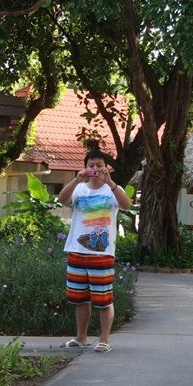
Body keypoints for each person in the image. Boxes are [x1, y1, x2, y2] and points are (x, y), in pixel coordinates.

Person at [57, 147, 132, 353]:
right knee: (79, 298)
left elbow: (126, 205)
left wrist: (111, 183)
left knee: (103, 299)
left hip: (102, 253)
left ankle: (104, 340)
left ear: (107, 167)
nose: (95, 169)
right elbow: (61, 200)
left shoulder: (113, 190)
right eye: (91, 165)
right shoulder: (79, 189)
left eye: (99, 165)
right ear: (85, 167)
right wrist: (75, 180)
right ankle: (81, 338)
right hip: (76, 250)